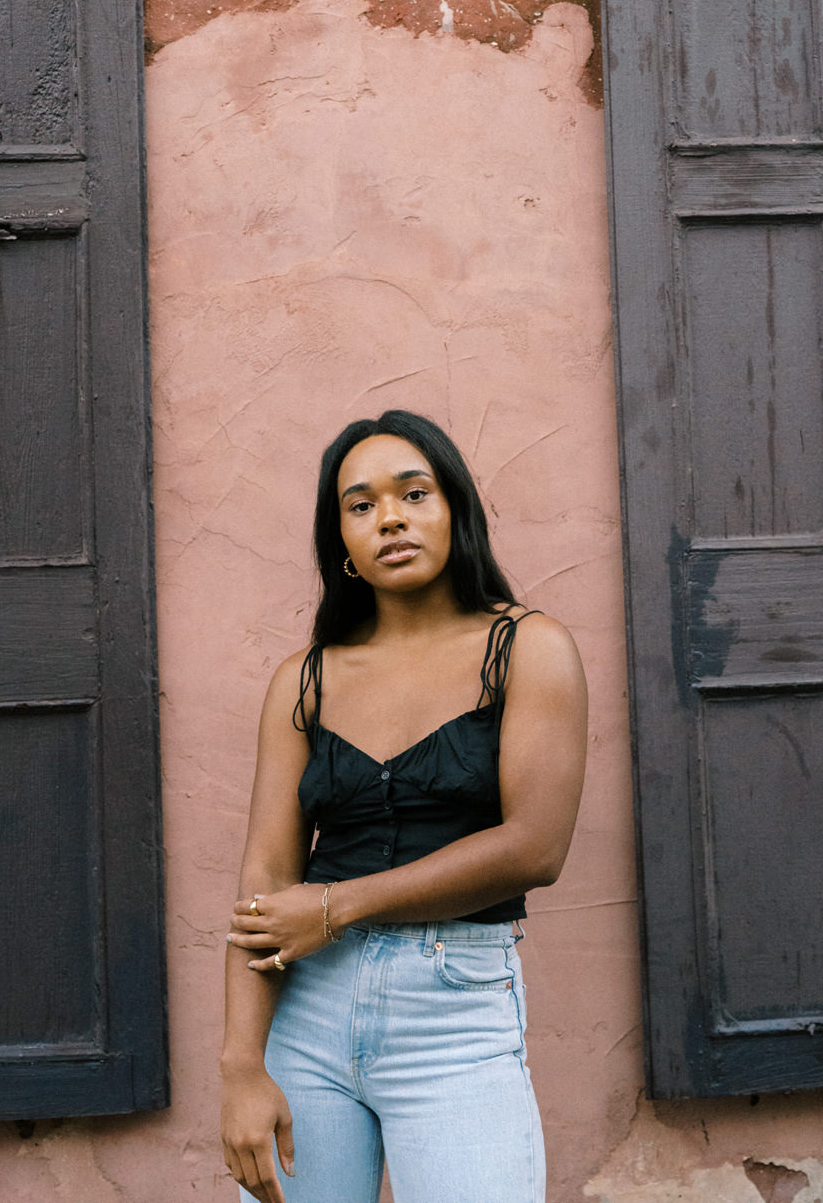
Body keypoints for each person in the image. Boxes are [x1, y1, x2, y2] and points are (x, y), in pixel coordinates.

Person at [220, 409, 588, 1203]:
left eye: (413, 493)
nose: (389, 516)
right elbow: (265, 879)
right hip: (307, 1016)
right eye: (360, 505)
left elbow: (535, 849)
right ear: (342, 543)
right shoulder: (304, 680)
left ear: (454, 508)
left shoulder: (529, 649)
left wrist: (335, 906)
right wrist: (242, 1066)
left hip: (454, 1012)